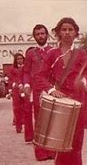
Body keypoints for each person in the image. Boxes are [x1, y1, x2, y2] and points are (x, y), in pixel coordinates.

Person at [35, 17, 87, 165]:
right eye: (64, 30)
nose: (67, 33)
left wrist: (83, 81)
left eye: (71, 30)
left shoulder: (81, 53)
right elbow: (40, 76)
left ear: (76, 33)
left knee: (76, 142)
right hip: (59, 101)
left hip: (78, 100)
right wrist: (51, 90)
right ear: (58, 33)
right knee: (60, 142)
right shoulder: (52, 54)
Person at [22, 24, 56, 159]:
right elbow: (26, 71)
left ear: (47, 35)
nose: (40, 36)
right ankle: (41, 153)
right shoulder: (30, 54)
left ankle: (53, 151)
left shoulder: (53, 51)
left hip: (52, 89)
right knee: (40, 120)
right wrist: (26, 84)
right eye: (38, 34)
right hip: (37, 90)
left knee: (53, 120)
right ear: (34, 36)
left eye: (43, 33)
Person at [8, 53, 26, 135]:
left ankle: (25, 123)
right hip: (16, 90)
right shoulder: (12, 69)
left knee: (25, 107)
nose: (20, 60)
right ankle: (18, 126)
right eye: (18, 59)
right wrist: (10, 88)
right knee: (17, 108)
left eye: (21, 58)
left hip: (25, 89)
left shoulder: (26, 68)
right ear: (15, 60)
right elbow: (10, 80)